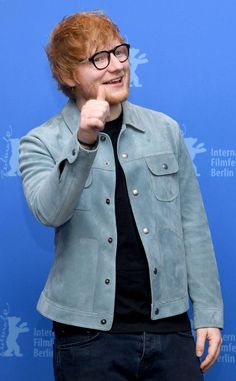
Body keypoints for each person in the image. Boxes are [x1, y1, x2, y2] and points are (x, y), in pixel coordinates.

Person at [19, 11, 223, 381]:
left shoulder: (165, 130)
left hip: (170, 331)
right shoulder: (41, 141)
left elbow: (193, 226)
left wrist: (208, 312)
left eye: (119, 52)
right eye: (98, 58)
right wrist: (83, 143)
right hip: (87, 340)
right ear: (68, 75)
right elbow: (49, 211)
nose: (115, 66)